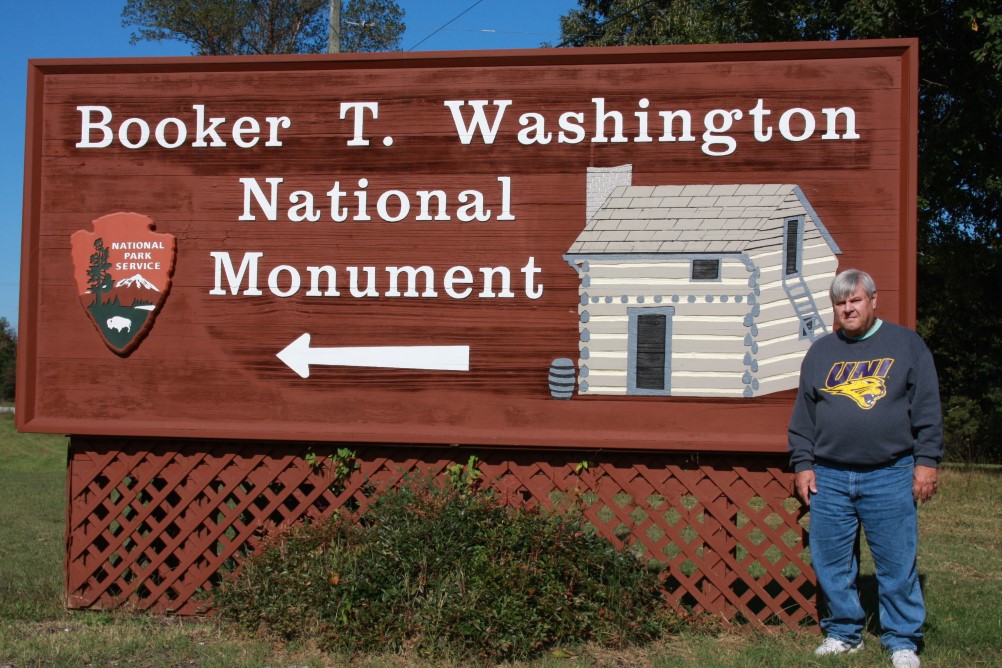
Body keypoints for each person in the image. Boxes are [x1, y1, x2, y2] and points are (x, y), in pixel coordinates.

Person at [788, 269, 943, 668]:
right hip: (830, 476)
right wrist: (803, 464)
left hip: (890, 471)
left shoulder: (906, 345)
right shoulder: (821, 352)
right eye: (840, 303)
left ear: (873, 300)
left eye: (855, 300)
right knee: (832, 562)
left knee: (896, 562)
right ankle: (843, 633)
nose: (847, 309)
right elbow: (804, 416)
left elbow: (927, 409)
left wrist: (926, 462)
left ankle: (902, 640)